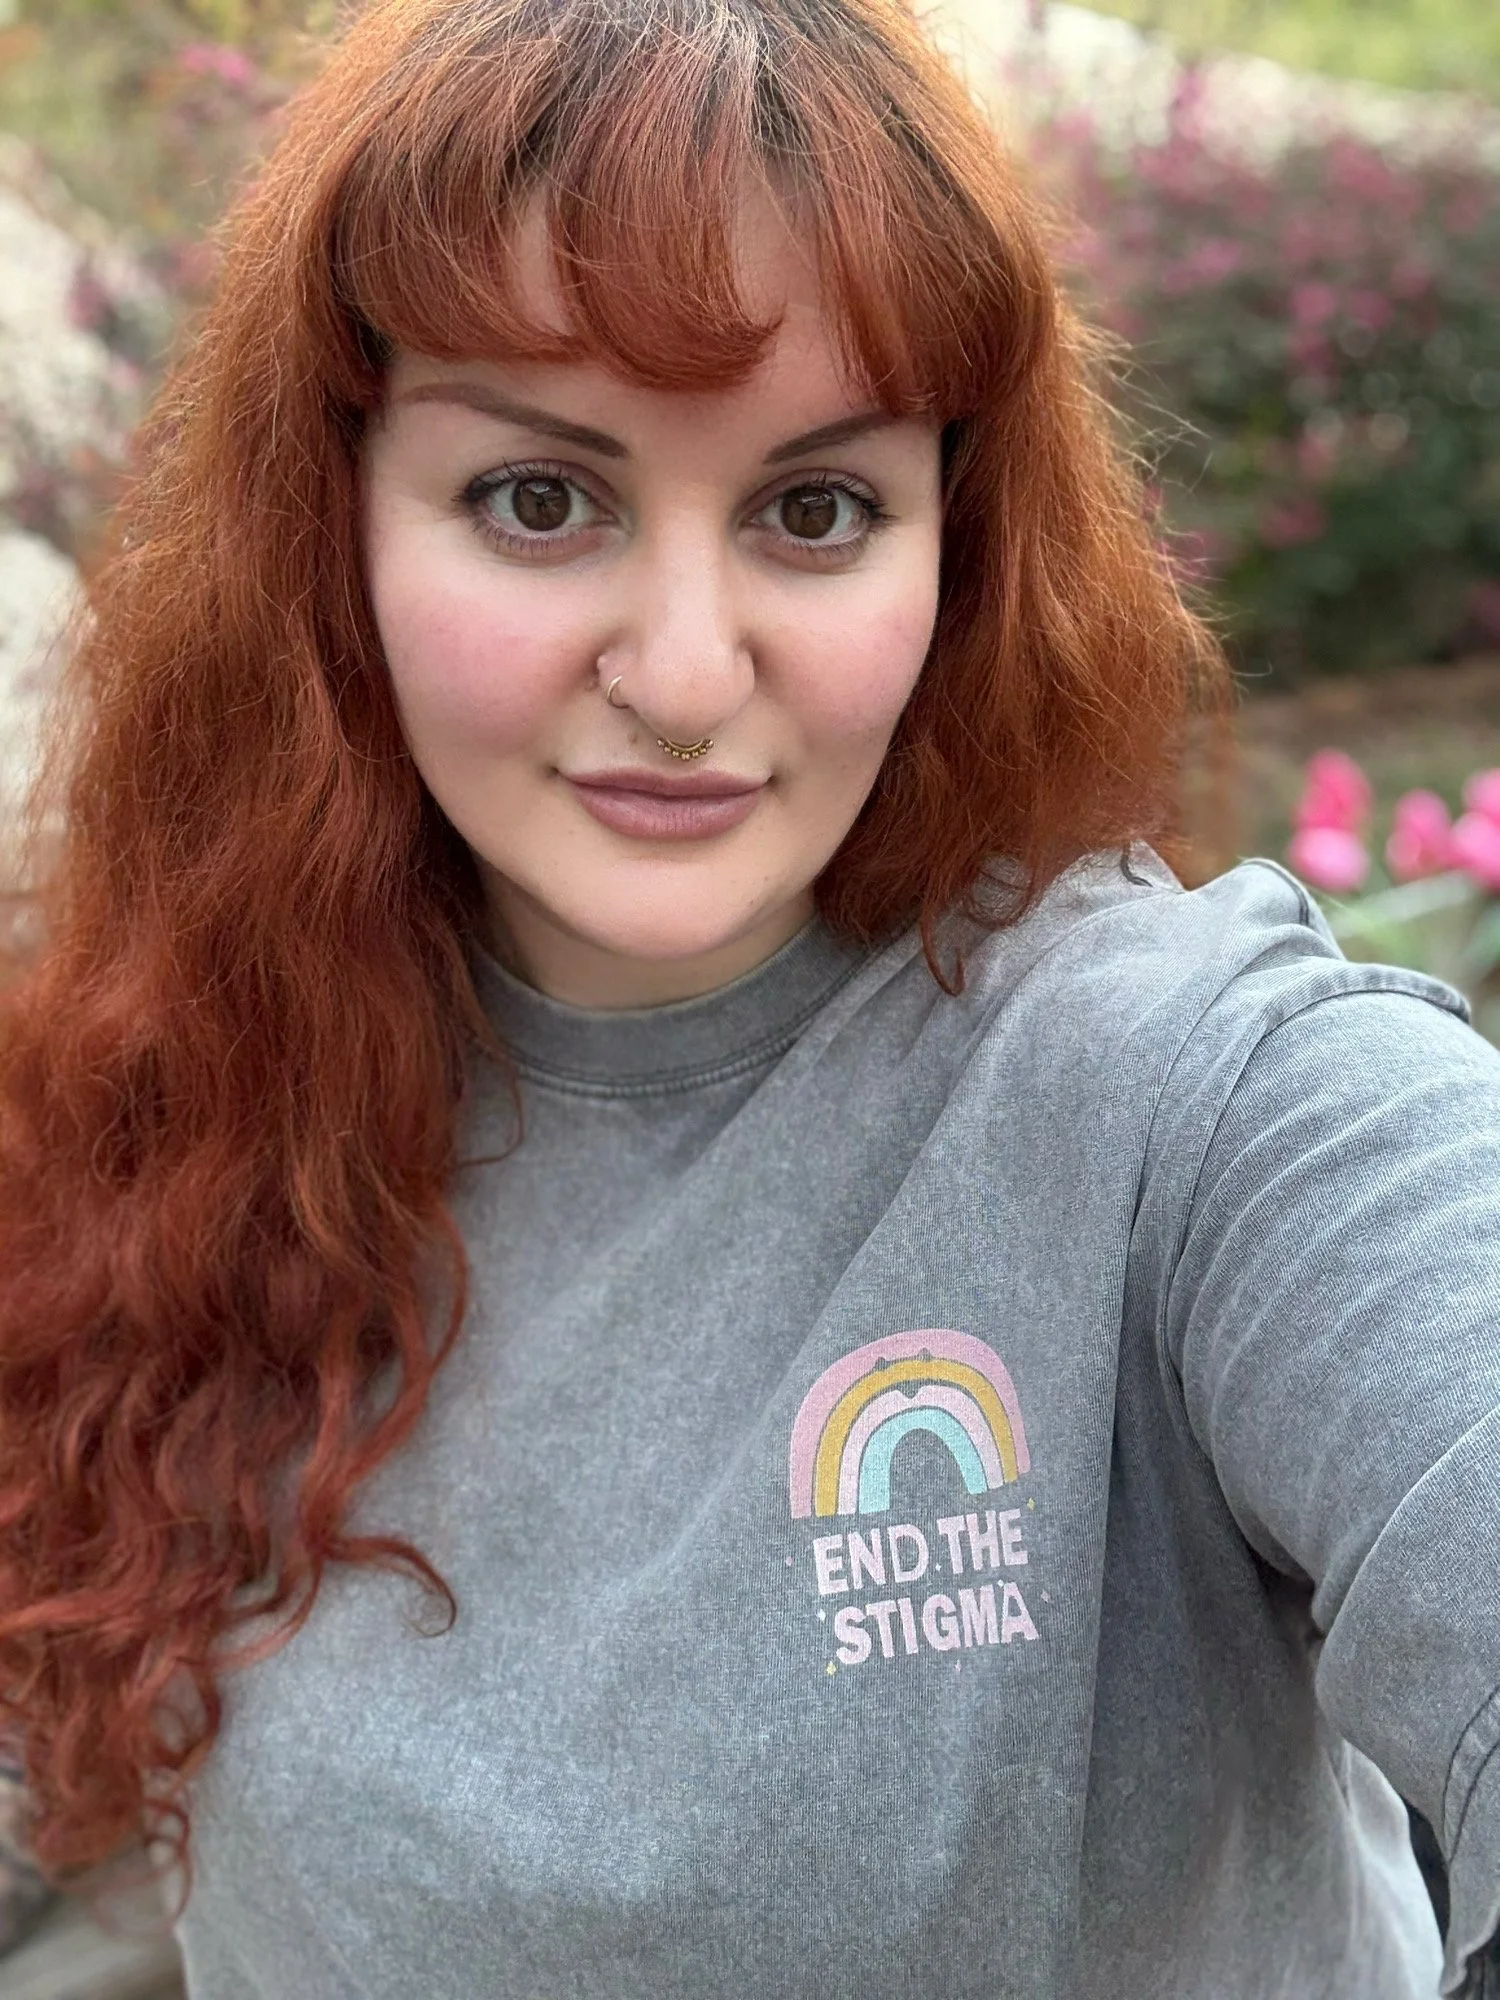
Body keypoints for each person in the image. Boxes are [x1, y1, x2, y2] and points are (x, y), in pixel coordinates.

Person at [1, 0, 1497, 1993]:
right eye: (544, 500)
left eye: (814, 508)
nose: (690, 674)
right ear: (333, 526)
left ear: (954, 550)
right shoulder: (155, 1125)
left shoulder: (1197, 1104)